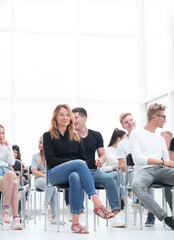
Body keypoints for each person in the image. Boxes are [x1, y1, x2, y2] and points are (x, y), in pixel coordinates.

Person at [43, 104, 114, 234]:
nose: (65, 117)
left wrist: (75, 163)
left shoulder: (76, 136)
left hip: (73, 173)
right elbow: (51, 160)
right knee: (78, 164)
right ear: (55, 117)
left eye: (67, 115)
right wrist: (72, 162)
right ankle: (96, 201)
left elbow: (83, 159)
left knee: (75, 176)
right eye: (61, 114)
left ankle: (75, 223)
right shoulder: (48, 135)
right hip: (55, 173)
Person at [72, 107, 124, 227]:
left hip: (92, 171)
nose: (73, 120)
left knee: (110, 179)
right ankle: (80, 214)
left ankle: (116, 214)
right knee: (76, 181)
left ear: (84, 118)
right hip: (77, 171)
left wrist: (101, 160)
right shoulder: (70, 136)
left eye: (75, 117)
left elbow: (102, 155)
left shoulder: (96, 135)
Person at [130, 103, 174, 230]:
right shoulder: (136, 133)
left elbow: (166, 161)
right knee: (136, 186)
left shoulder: (160, 139)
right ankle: (166, 217)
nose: (165, 120)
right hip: (143, 170)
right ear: (155, 117)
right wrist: (162, 163)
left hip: (161, 171)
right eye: (163, 117)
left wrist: (169, 164)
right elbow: (137, 158)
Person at [116, 112, 155, 227]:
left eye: (131, 120)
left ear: (135, 121)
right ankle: (150, 213)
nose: (129, 123)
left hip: (148, 168)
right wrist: (133, 163)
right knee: (143, 175)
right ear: (123, 126)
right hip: (133, 172)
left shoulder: (146, 138)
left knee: (147, 174)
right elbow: (122, 167)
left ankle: (140, 202)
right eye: (126, 122)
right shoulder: (122, 145)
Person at [100, 128, 130, 209]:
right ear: (118, 139)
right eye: (125, 138)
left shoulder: (125, 151)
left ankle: (119, 206)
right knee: (119, 175)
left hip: (122, 176)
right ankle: (124, 199)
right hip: (109, 174)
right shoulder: (107, 150)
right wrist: (116, 166)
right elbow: (102, 169)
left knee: (117, 179)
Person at [0, 124, 23, 230]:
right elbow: (7, 164)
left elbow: (12, 162)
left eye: (3, 133)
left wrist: (9, 148)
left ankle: (5, 211)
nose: (1, 136)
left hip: (7, 173)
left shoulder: (6, 147)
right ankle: (15, 218)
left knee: (11, 176)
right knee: (14, 183)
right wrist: (6, 165)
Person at [31, 136, 57, 224]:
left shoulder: (52, 156)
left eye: (41, 143)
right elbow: (34, 171)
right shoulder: (35, 156)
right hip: (39, 180)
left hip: (50, 180)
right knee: (51, 183)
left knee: (52, 186)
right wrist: (45, 176)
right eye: (39, 142)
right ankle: (46, 205)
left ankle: (54, 217)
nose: (39, 144)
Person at [160, 131, 173, 212]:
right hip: (166, 174)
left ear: (170, 139)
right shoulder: (159, 152)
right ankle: (173, 210)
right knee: (166, 186)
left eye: (163, 138)